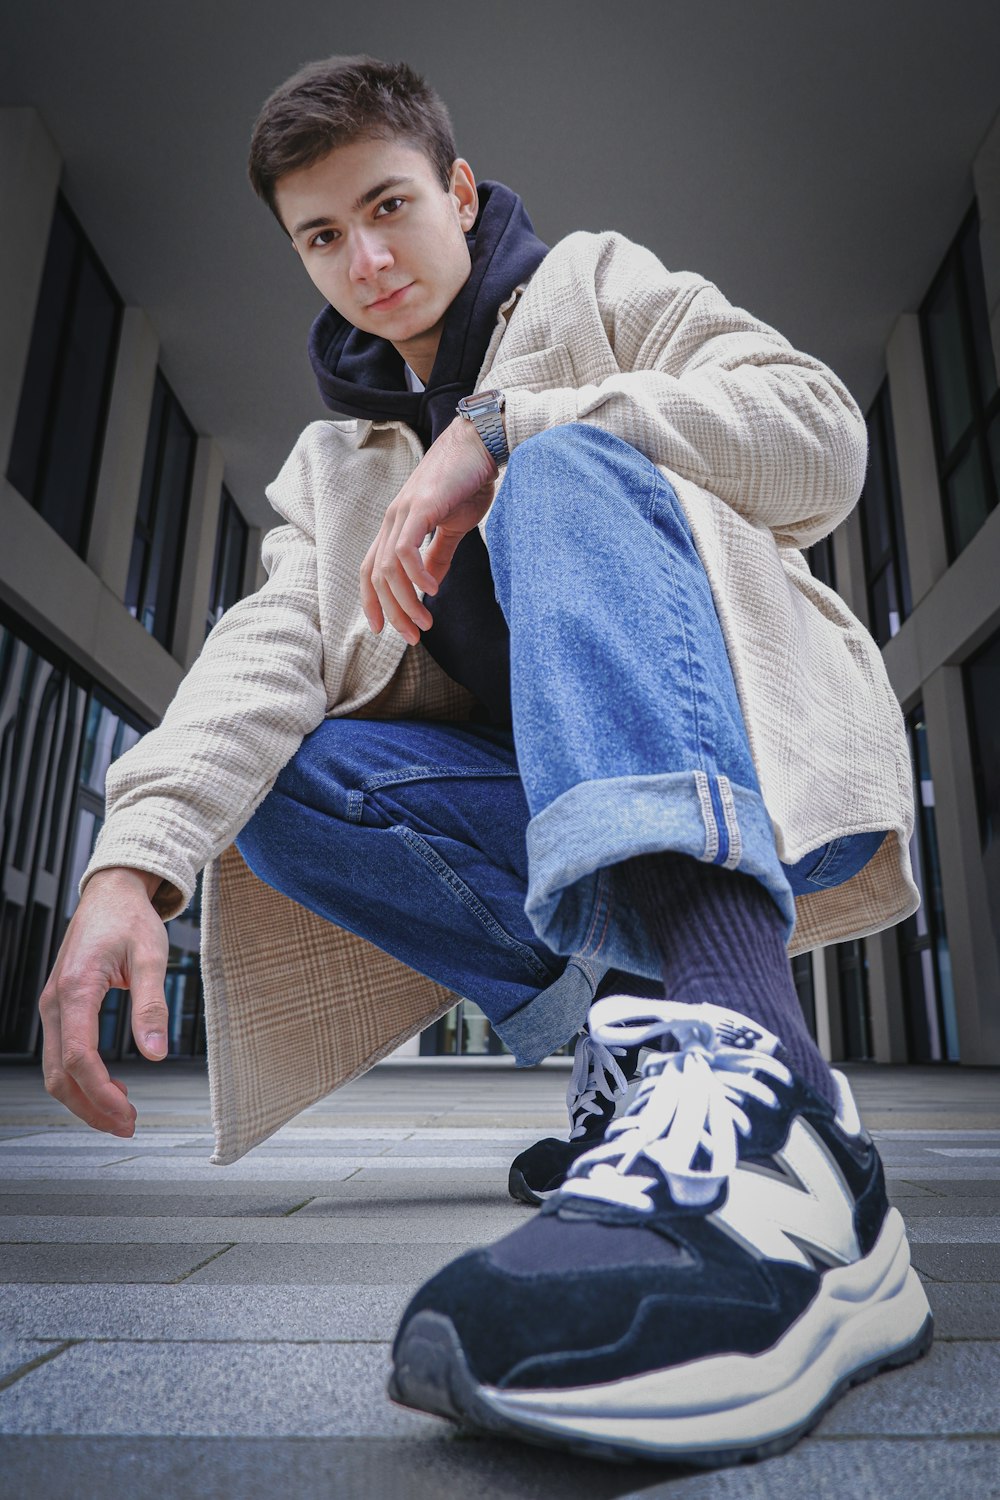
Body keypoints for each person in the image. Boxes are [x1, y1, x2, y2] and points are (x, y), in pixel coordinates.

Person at [38, 55, 932, 1466]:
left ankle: (767, 1109)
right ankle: (649, 1050)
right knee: (279, 777)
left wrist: (510, 428)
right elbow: (264, 653)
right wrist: (127, 865)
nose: (367, 258)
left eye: (390, 205)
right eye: (322, 236)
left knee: (564, 472)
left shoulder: (595, 288)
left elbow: (819, 433)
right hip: (549, 823)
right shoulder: (336, 467)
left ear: (459, 191)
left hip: (742, 760)